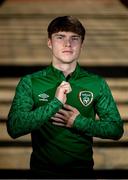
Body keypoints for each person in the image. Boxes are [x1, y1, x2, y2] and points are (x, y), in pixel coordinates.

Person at [7, 16, 124, 179]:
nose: (68, 44)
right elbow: (14, 127)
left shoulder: (96, 83)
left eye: (74, 38)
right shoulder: (30, 82)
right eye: (60, 37)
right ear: (49, 42)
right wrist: (54, 104)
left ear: (82, 44)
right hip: (41, 174)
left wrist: (77, 122)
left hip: (83, 174)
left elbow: (116, 129)